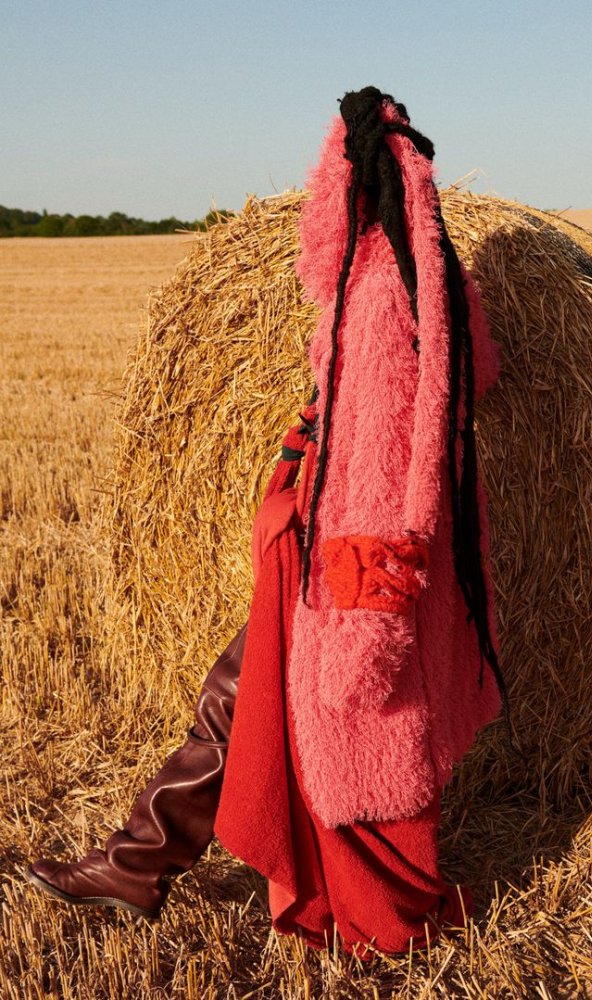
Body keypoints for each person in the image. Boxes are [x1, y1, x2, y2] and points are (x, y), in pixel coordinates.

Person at [26, 86, 513, 960]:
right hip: (351, 539)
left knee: (254, 698)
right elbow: (443, 391)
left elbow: (377, 455)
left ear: (344, 188)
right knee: (240, 693)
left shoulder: (376, 296)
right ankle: (138, 862)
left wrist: (363, 597)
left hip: (342, 550)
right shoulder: (430, 285)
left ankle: (142, 863)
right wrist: (310, 431)